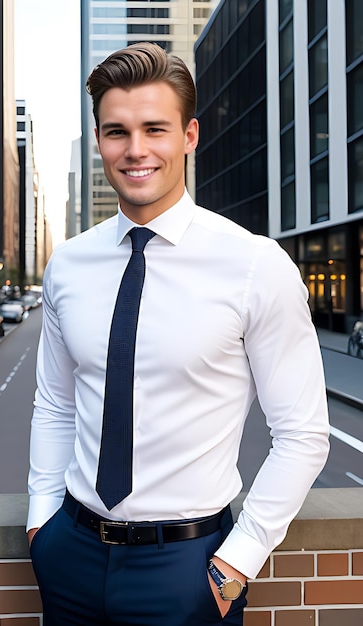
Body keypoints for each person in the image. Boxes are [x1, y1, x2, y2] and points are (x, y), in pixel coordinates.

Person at [27, 42, 330, 625]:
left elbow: (303, 433)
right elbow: (55, 404)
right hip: (71, 556)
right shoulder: (67, 264)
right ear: (98, 141)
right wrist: (43, 524)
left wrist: (237, 562)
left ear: (189, 136)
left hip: (189, 570)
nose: (135, 150)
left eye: (155, 129)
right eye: (116, 131)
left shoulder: (254, 265)